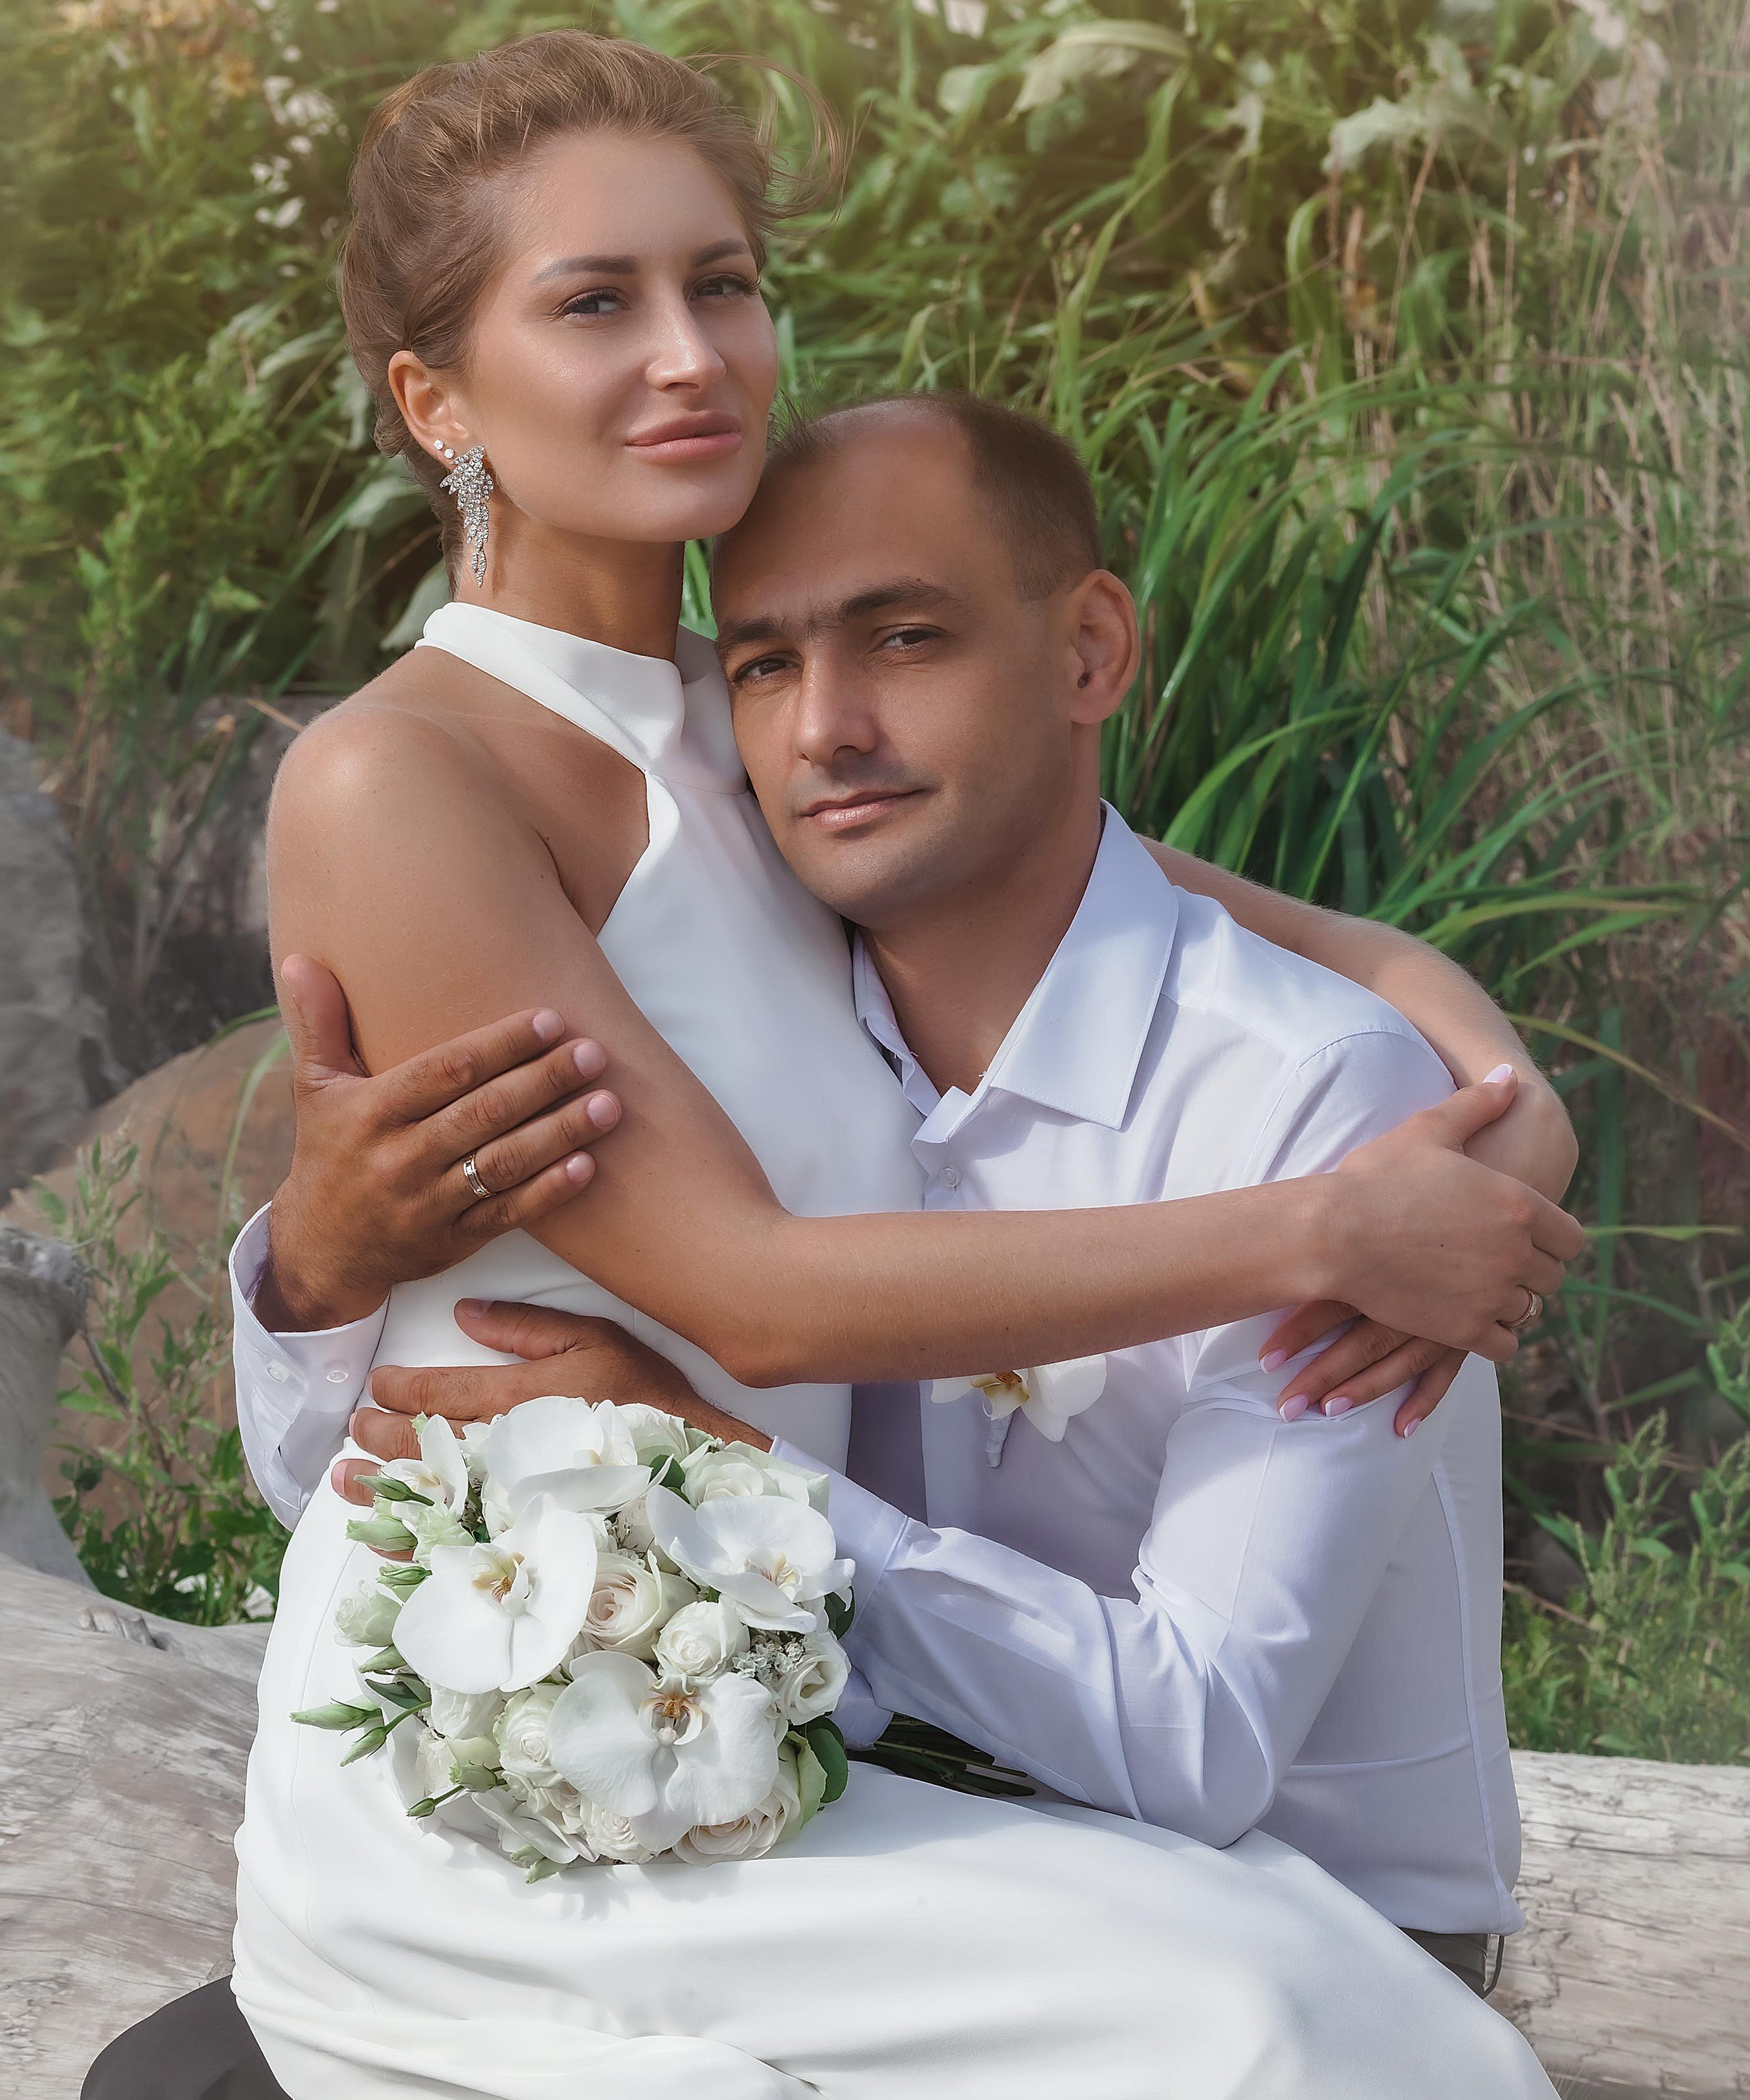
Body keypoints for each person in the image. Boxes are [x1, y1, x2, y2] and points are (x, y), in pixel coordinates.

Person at [111, 32, 1586, 2100]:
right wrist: (1321, 1227)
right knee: (1287, 2030)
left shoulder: (750, 719)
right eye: (594, 301)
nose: (688, 351)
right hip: (504, 1734)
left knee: (1314, 2007)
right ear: (439, 401)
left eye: (722, 282)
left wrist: (1495, 1083)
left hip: (762, 1690)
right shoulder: (399, 772)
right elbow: (746, 1290)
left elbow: (1190, 894)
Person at [302, 394, 1555, 2012]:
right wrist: (321, 1265)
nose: (824, 728)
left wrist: (717, 1486)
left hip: (1303, 1945)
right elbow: (357, 1441)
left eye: (904, 639)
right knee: (220, 2080)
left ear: (1089, 651)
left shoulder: (1320, 1111)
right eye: (764, 664)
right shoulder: (771, 1017)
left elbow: (1198, 1743)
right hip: (868, 1862)